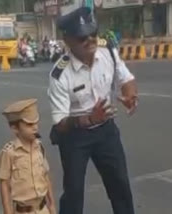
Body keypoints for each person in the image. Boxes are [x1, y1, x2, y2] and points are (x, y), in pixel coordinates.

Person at [47, 7, 138, 214]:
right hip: (74, 137)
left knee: (120, 184)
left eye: (93, 34)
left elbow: (127, 79)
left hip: (106, 130)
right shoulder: (60, 75)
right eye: (82, 37)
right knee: (74, 192)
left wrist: (130, 95)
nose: (90, 40)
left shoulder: (108, 53)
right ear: (68, 40)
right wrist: (87, 119)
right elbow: (60, 124)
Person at [0, 98, 56, 214]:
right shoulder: (9, 152)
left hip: (43, 209)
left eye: (36, 123)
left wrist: (52, 204)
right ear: (15, 128)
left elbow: (45, 175)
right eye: (29, 124)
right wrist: (7, 211)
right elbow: (4, 184)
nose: (35, 128)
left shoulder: (39, 147)